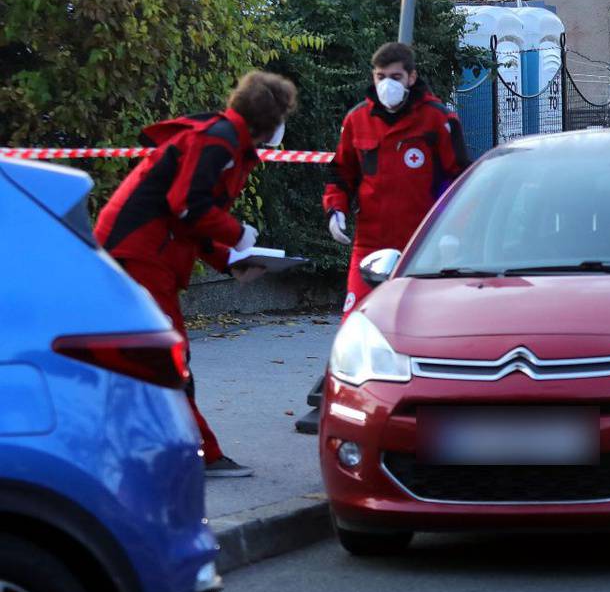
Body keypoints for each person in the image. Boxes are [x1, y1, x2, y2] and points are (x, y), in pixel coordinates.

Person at [94, 71, 300, 477]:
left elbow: (188, 216)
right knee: (168, 356)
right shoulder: (221, 141)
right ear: (271, 120)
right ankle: (198, 453)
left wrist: (230, 260)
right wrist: (238, 235)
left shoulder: (222, 138)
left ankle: (136, 446)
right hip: (140, 254)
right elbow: (188, 207)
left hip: (139, 250)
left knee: (140, 355)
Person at [299, 42, 468, 433]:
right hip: (371, 241)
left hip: (422, 248)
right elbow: (341, 173)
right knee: (354, 320)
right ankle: (343, 400)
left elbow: (460, 181)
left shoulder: (439, 120)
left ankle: (431, 399)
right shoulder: (357, 120)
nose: (387, 85)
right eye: (380, 78)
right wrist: (335, 209)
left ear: (411, 77)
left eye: (394, 77)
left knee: (425, 325)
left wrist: (452, 233)